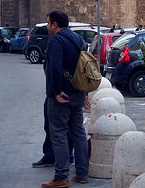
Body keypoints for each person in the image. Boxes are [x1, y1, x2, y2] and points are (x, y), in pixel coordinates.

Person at [41, 10, 90, 188]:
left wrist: (55, 92)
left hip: (61, 96)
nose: (47, 26)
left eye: (48, 23)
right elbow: (84, 67)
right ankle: (82, 173)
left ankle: (61, 176)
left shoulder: (56, 40)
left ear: (55, 24)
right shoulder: (77, 39)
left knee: (59, 134)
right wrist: (84, 93)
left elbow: (54, 67)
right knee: (78, 132)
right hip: (77, 93)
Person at [31, 99, 74, 168]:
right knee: (54, 128)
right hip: (69, 96)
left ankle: (64, 161)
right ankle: (55, 157)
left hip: (61, 95)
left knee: (61, 129)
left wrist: (56, 92)